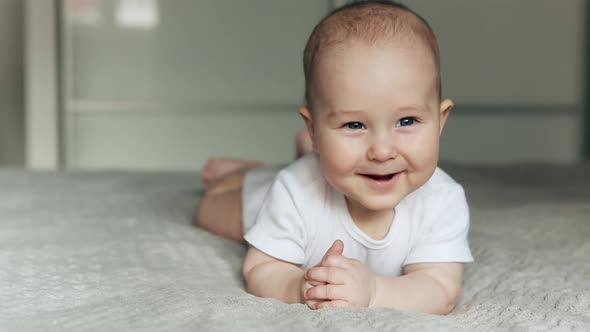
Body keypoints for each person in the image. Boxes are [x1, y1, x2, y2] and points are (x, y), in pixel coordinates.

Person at [195, 0, 473, 315]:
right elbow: (263, 268)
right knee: (210, 208)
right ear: (314, 129)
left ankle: (292, 158)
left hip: (319, 167)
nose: (382, 151)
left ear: (441, 120)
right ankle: (242, 176)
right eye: (354, 124)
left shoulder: (442, 199)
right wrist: (299, 287)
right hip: (270, 200)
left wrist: (374, 291)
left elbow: (439, 288)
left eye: (406, 121)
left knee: (313, 167)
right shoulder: (295, 191)